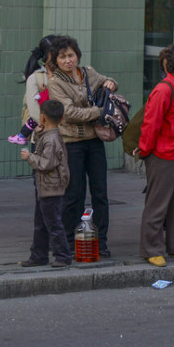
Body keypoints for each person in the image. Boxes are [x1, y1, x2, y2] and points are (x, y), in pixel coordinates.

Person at [47, 36, 118, 256]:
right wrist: (99, 112)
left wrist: (110, 83)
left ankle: (101, 242)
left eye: (71, 55)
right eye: (62, 57)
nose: (68, 60)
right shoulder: (55, 82)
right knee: (73, 194)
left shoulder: (87, 72)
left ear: (77, 55)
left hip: (95, 141)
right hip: (72, 143)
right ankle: (69, 242)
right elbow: (68, 113)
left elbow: (110, 81)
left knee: (100, 193)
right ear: (55, 61)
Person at [137, 43, 174, 267]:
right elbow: (150, 124)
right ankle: (151, 248)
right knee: (158, 205)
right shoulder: (165, 89)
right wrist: (145, 150)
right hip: (163, 155)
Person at [19, 99, 71, 268]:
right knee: (41, 222)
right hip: (46, 186)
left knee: (53, 223)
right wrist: (39, 134)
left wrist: (30, 157)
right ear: (62, 118)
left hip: (50, 186)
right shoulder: (50, 136)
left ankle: (62, 255)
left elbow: (46, 164)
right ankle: (38, 255)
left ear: (42, 118)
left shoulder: (51, 140)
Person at [8, 35, 58, 145]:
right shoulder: (36, 77)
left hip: (65, 137)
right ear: (46, 57)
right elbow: (34, 111)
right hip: (42, 136)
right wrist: (52, 126)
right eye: (54, 54)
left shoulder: (67, 75)